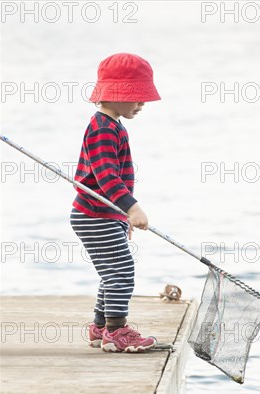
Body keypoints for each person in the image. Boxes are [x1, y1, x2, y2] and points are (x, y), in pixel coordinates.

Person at [70, 53, 161, 352]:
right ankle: (116, 331)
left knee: (112, 270)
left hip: (104, 214)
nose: (142, 104)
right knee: (122, 269)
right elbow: (107, 177)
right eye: (137, 97)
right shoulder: (103, 130)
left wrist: (122, 218)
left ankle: (100, 326)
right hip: (95, 214)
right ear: (116, 95)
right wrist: (132, 208)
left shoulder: (114, 126)